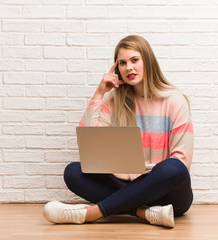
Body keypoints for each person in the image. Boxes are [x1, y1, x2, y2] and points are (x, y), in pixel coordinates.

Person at [43, 35, 194, 228]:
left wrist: (146, 179)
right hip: (126, 186)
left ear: (147, 61)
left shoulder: (175, 101)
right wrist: (99, 93)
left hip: (166, 193)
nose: (128, 67)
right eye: (122, 63)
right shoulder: (114, 101)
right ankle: (143, 212)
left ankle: (92, 213)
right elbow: (89, 143)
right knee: (73, 172)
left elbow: (182, 161)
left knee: (174, 168)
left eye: (134, 60)